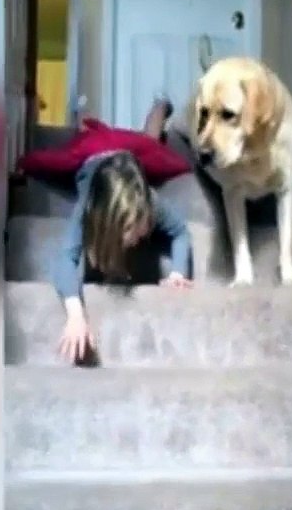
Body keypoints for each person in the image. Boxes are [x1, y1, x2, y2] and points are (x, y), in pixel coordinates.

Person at [54, 97, 193, 363]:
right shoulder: (88, 209)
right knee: (89, 129)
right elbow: (63, 259)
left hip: (129, 158)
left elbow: (180, 231)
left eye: (143, 228)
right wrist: (75, 314)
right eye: (133, 231)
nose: (142, 237)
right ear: (109, 223)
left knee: (149, 140)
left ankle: (159, 107)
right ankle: (82, 107)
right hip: (93, 154)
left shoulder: (149, 201)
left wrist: (177, 271)